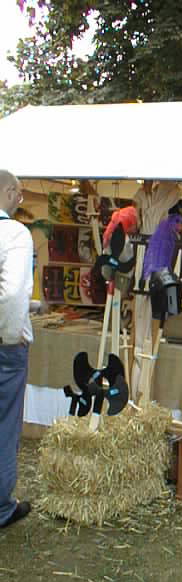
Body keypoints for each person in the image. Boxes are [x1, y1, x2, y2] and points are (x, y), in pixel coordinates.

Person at [0, 170, 32, 528]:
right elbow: (10, 294)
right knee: (5, 425)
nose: (20, 202)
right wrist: (10, 336)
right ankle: (1, 508)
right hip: (4, 347)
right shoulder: (14, 233)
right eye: (20, 195)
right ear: (9, 192)